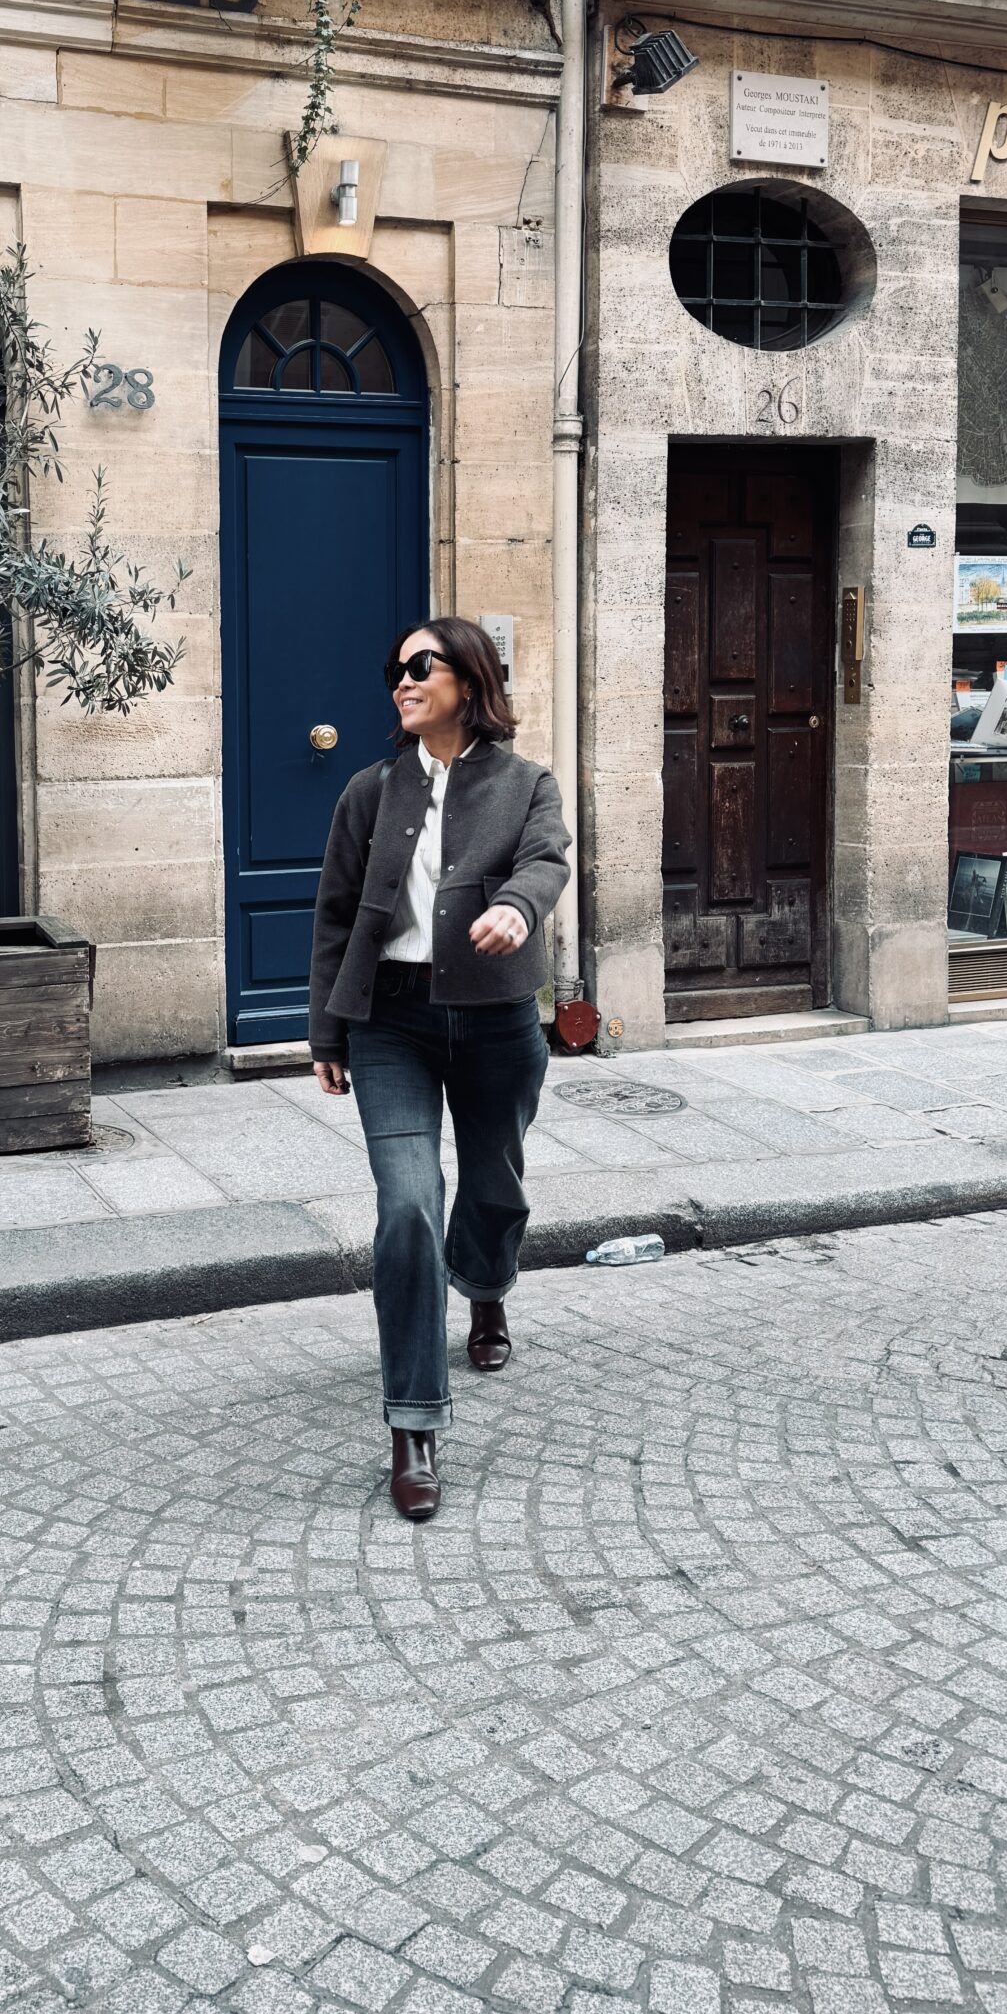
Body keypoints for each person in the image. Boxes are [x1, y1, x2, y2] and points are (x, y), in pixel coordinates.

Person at [309, 617, 570, 1521]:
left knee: (494, 1184)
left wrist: (517, 911)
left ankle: (487, 1291)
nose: (403, 680)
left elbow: (546, 863)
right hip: (393, 1023)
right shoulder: (369, 790)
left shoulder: (527, 783)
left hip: (497, 1016)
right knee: (409, 1204)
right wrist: (327, 1034)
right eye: (397, 669)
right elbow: (336, 917)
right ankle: (413, 1424)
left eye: (423, 666)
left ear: (470, 680)